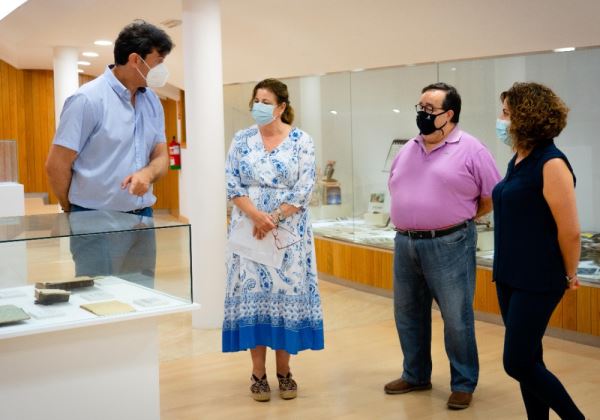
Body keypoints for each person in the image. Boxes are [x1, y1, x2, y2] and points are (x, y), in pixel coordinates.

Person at [386, 82, 501, 409]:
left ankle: (463, 382)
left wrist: (458, 218)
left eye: (429, 109)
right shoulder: (408, 147)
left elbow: (491, 196)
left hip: (450, 244)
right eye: (419, 107)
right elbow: (395, 186)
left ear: (449, 114)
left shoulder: (472, 149)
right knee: (407, 313)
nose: (422, 114)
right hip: (406, 242)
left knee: (456, 317)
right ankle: (415, 374)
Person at [45, 20, 173, 286]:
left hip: (141, 219)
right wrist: (75, 211)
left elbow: (162, 156)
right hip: (95, 220)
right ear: (136, 59)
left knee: (142, 297)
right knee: (99, 300)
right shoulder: (87, 100)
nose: (162, 69)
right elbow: (56, 165)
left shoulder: (152, 101)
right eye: (158, 61)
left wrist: (147, 174)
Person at [223, 78, 324, 402]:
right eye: (256, 100)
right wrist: (256, 215)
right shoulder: (241, 139)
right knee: (255, 296)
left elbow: (305, 188)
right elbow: (231, 182)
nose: (259, 107)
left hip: (288, 230)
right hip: (248, 228)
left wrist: (274, 218)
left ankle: (284, 371)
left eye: (266, 101)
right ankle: (258, 374)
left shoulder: (301, 141)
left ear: (281, 106)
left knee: (284, 296)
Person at [492, 82, 585, 419]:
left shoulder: (551, 163)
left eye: (505, 113)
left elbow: (570, 231)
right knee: (530, 359)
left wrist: (571, 273)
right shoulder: (518, 159)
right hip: (509, 275)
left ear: (525, 117)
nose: (500, 119)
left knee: (516, 362)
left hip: (538, 278)